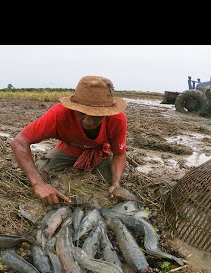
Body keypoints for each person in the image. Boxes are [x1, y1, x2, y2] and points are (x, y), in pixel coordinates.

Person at [11, 75, 128, 205]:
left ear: (107, 112)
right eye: (82, 113)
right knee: (39, 172)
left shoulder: (117, 120)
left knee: (111, 184)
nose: (88, 122)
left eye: (96, 116)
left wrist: (116, 183)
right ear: (74, 107)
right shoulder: (59, 114)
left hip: (99, 152)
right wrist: (38, 184)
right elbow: (20, 142)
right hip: (68, 149)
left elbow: (119, 153)